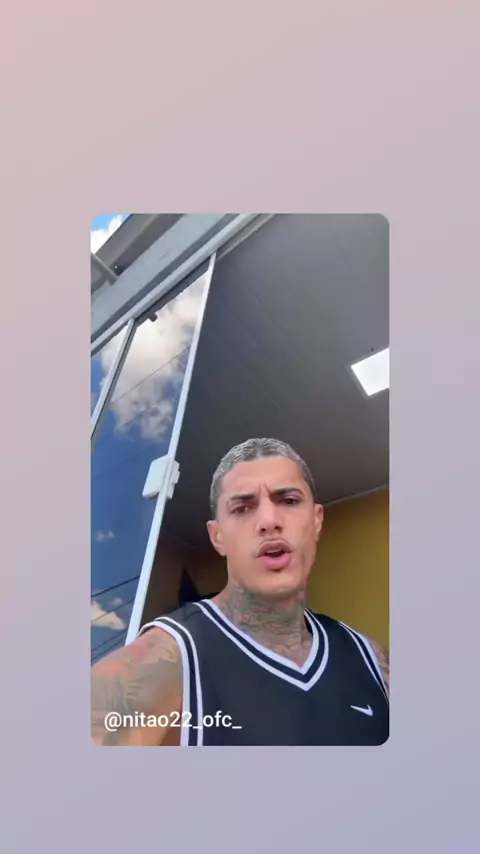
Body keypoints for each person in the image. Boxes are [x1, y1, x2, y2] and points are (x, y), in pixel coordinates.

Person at [91, 438, 389, 746]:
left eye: (288, 500)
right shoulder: (168, 658)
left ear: (316, 521)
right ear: (217, 536)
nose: (269, 521)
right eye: (243, 507)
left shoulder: (372, 660)